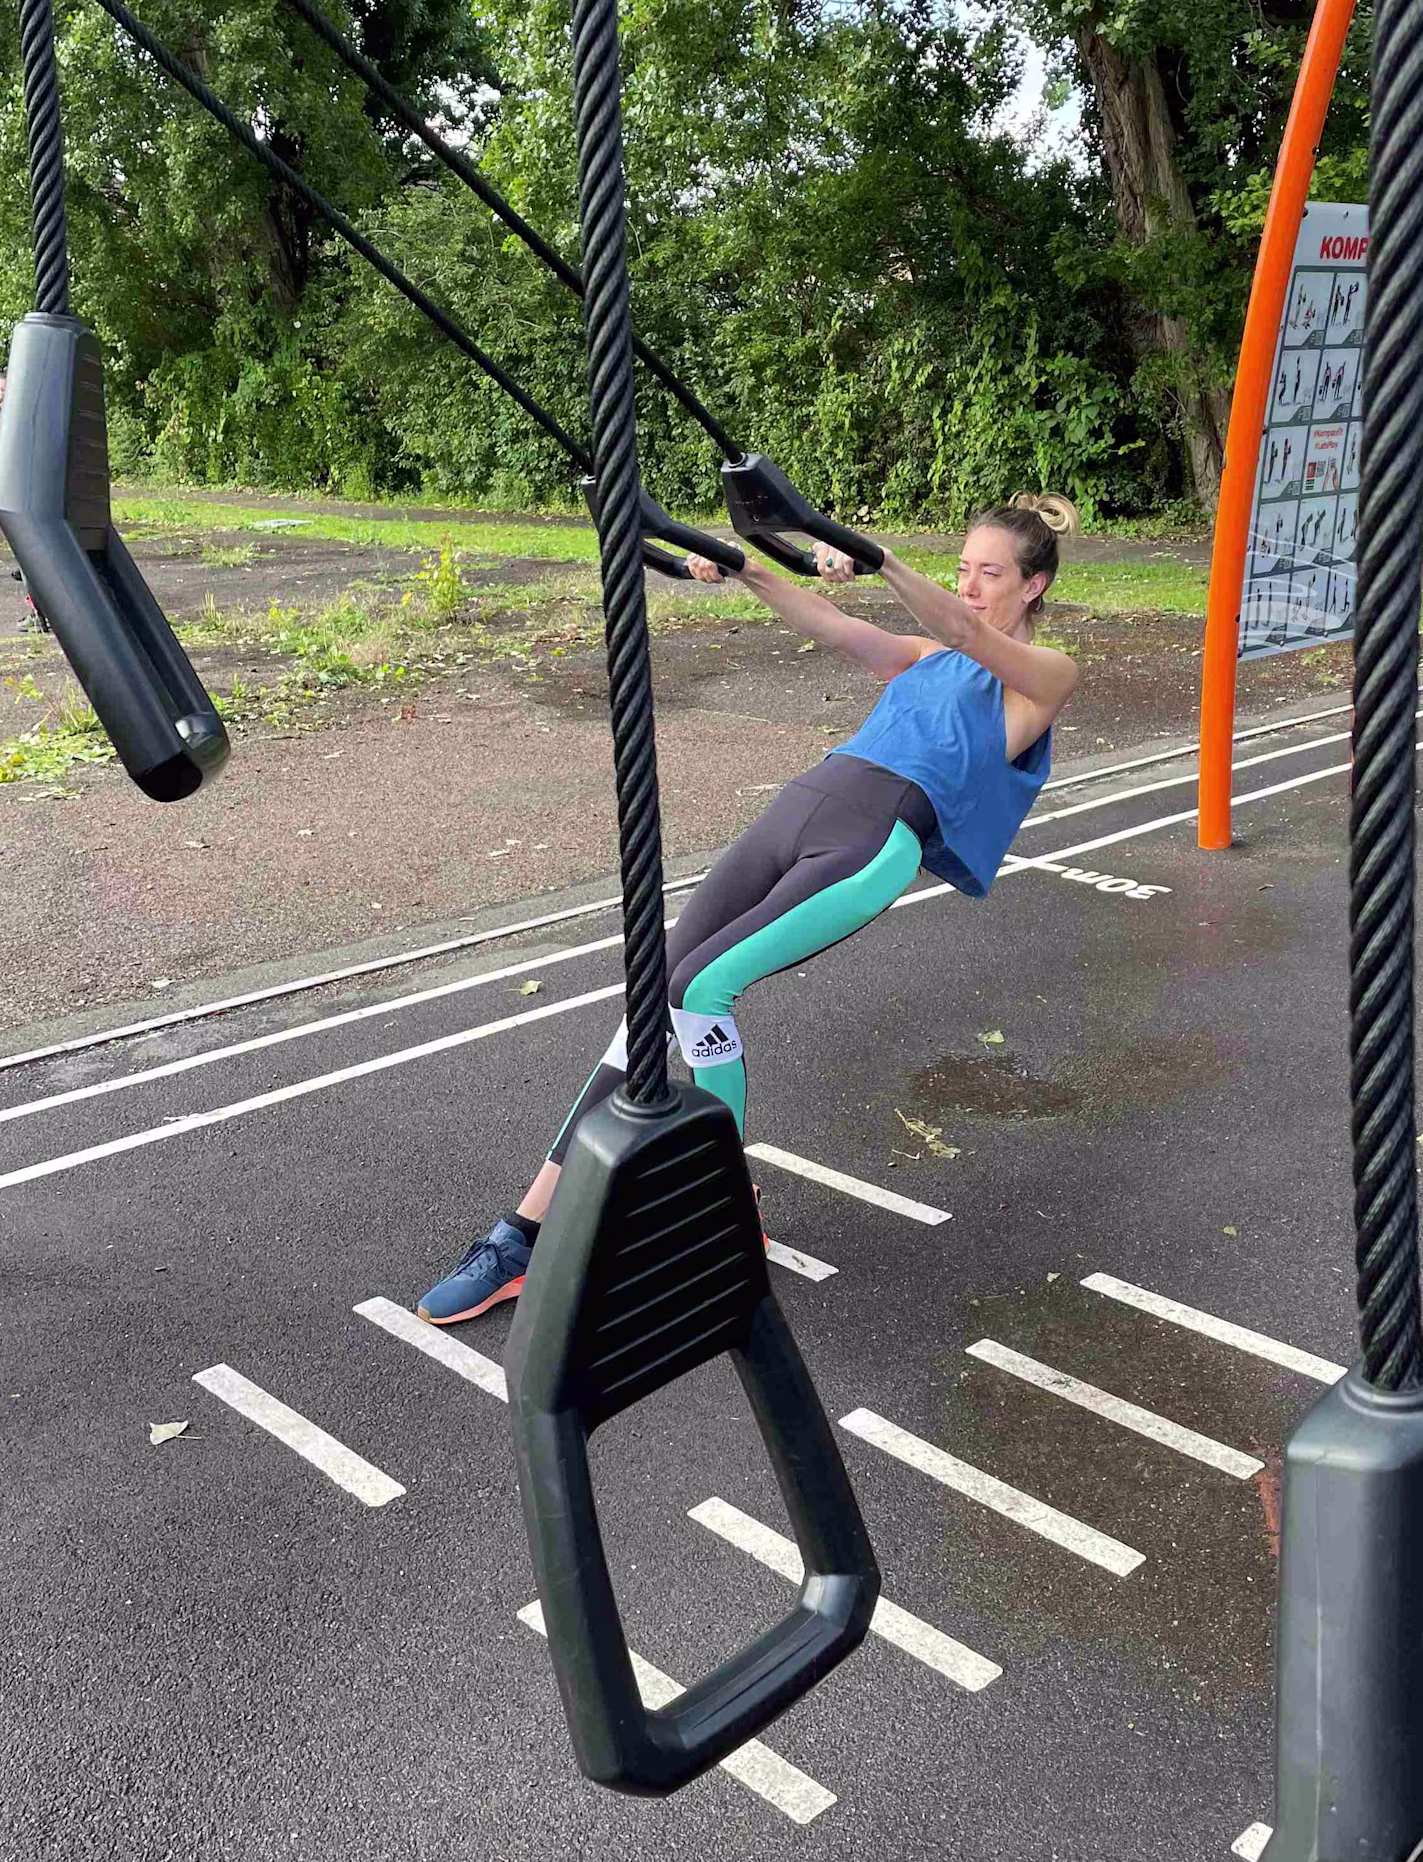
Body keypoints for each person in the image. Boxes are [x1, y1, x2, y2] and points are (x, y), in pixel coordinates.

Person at [417, 505, 1080, 1323]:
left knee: (701, 989)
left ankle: (723, 1214)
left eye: (992, 573)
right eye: (965, 567)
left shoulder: (1044, 673)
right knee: (651, 989)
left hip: (875, 836)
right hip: (808, 801)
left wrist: (879, 559)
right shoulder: (927, 657)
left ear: (1034, 584)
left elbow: (966, 630)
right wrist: (747, 570)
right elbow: (838, 628)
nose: (971, 586)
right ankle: (521, 1232)